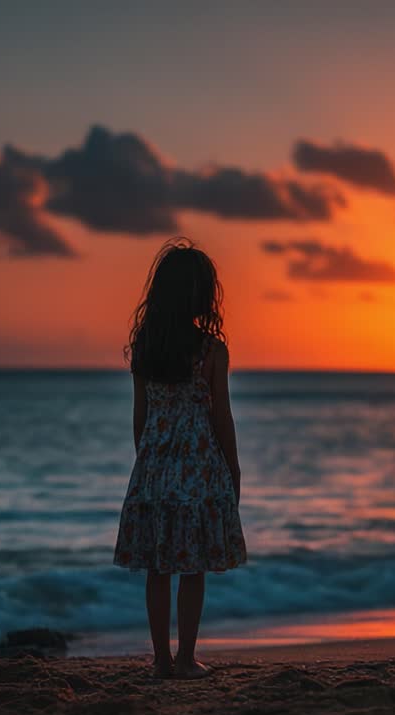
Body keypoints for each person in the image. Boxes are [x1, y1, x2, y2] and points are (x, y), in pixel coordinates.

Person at [114, 238, 248, 680]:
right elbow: (221, 415)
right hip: (199, 468)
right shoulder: (211, 351)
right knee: (193, 566)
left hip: (154, 467)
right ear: (201, 295)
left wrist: (147, 463)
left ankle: (161, 661)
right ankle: (187, 659)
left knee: (158, 566)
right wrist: (233, 467)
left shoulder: (146, 347)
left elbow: (140, 416)